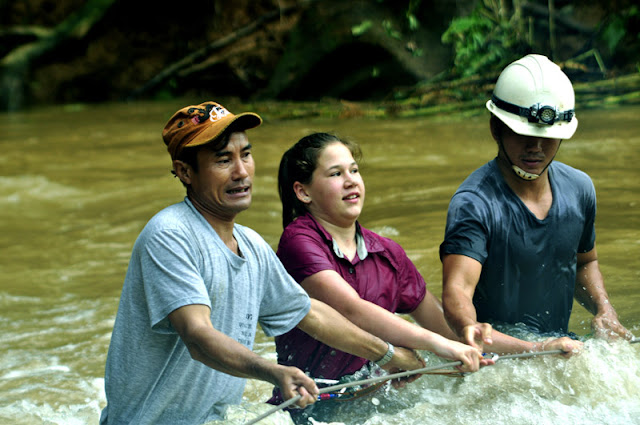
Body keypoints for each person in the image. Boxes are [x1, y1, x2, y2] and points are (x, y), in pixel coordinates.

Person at [99, 101, 428, 425]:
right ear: (185, 172)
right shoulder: (170, 234)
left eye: (246, 155)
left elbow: (310, 313)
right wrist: (272, 371)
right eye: (223, 160)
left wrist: (388, 354)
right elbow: (198, 336)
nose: (241, 172)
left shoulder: (252, 245)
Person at [271, 132, 490, 424]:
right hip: (302, 410)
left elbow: (444, 327)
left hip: (375, 405)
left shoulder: (388, 252)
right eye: (336, 173)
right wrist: (436, 345)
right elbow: (351, 309)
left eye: (354, 170)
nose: (351, 180)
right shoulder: (298, 241)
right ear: (303, 192)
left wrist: (483, 341)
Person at [440, 54, 634, 356]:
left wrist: (604, 310)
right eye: (523, 135)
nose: (536, 148)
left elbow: (585, 262)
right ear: (496, 128)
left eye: (548, 138)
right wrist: (474, 328)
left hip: (561, 348)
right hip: (498, 362)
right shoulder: (474, 203)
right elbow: (457, 291)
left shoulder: (579, 188)